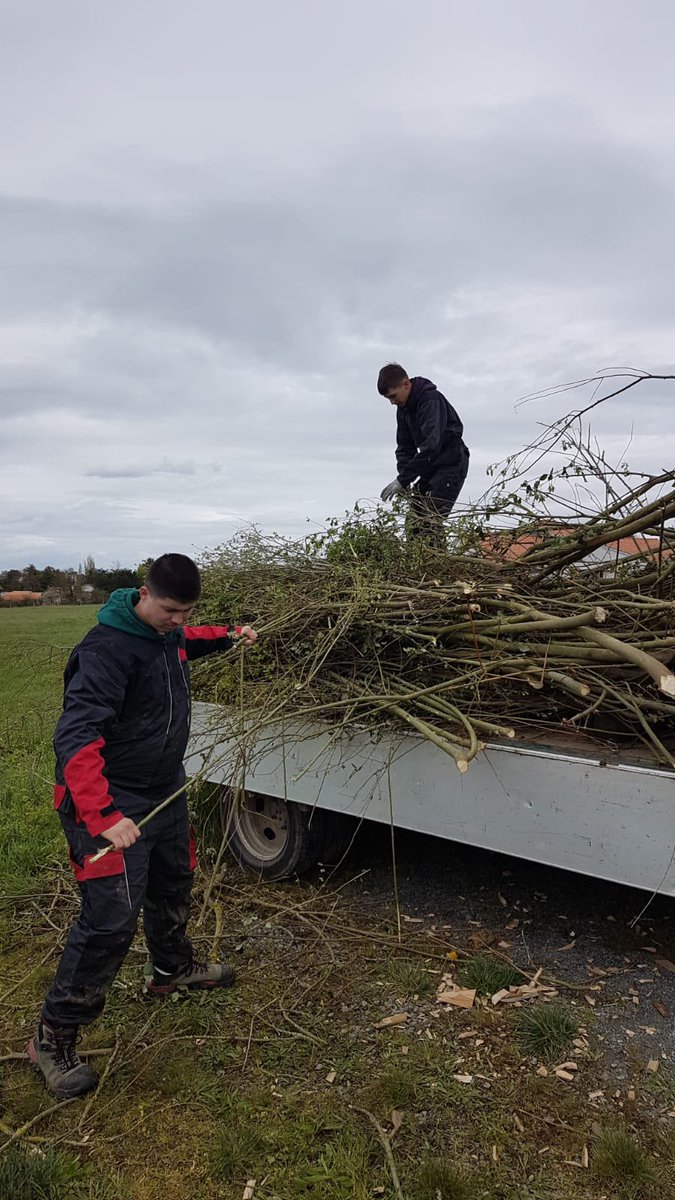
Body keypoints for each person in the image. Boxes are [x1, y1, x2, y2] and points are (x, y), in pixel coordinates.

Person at [28, 553, 257, 1100]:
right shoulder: (106, 651)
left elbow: (188, 640)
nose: (179, 621)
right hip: (108, 797)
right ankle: (53, 1035)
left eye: (187, 612)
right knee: (110, 918)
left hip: (162, 788)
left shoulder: (167, 634)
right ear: (144, 594)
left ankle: (171, 969)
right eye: (172, 610)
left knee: (174, 879)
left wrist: (227, 635)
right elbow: (76, 737)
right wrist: (104, 817)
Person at [377, 363, 469, 548]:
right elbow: (404, 448)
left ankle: (438, 567)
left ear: (406, 384)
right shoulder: (403, 410)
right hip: (430, 466)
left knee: (430, 519)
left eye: (393, 396)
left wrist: (402, 480)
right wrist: (405, 481)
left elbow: (431, 447)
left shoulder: (430, 400)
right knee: (413, 522)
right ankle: (417, 568)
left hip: (451, 462)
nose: (392, 402)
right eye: (388, 399)